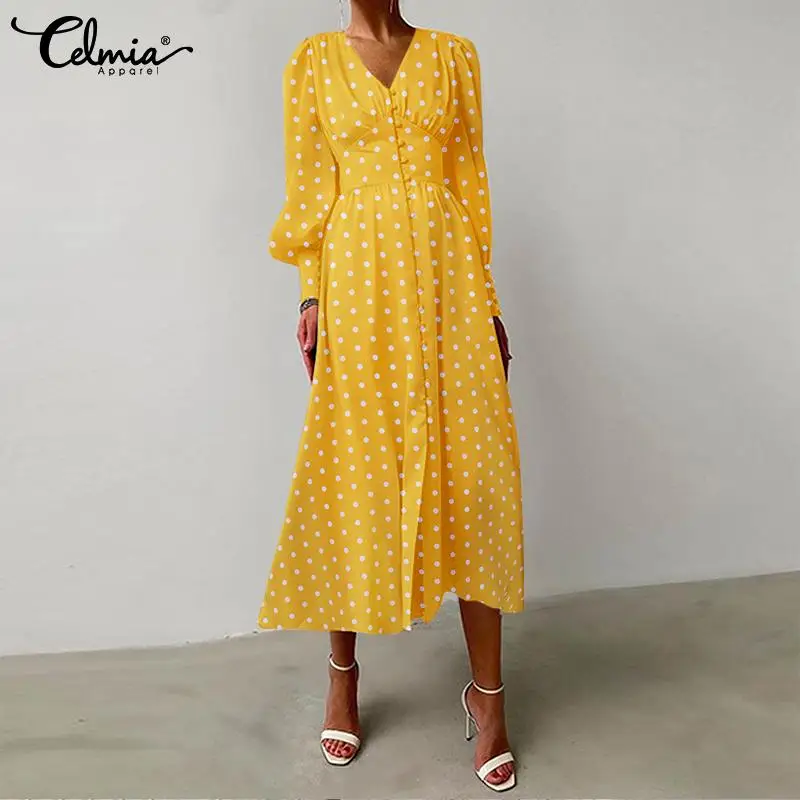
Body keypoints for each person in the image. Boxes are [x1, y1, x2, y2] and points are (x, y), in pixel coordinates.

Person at [258, 0, 523, 791]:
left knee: (475, 480)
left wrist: (490, 305)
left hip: (451, 289)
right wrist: (311, 298)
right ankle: (342, 676)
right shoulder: (312, 61)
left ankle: (488, 697)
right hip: (358, 286)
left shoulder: (453, 55)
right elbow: (311, 193)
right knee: (353, 474)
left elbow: (469, 186)